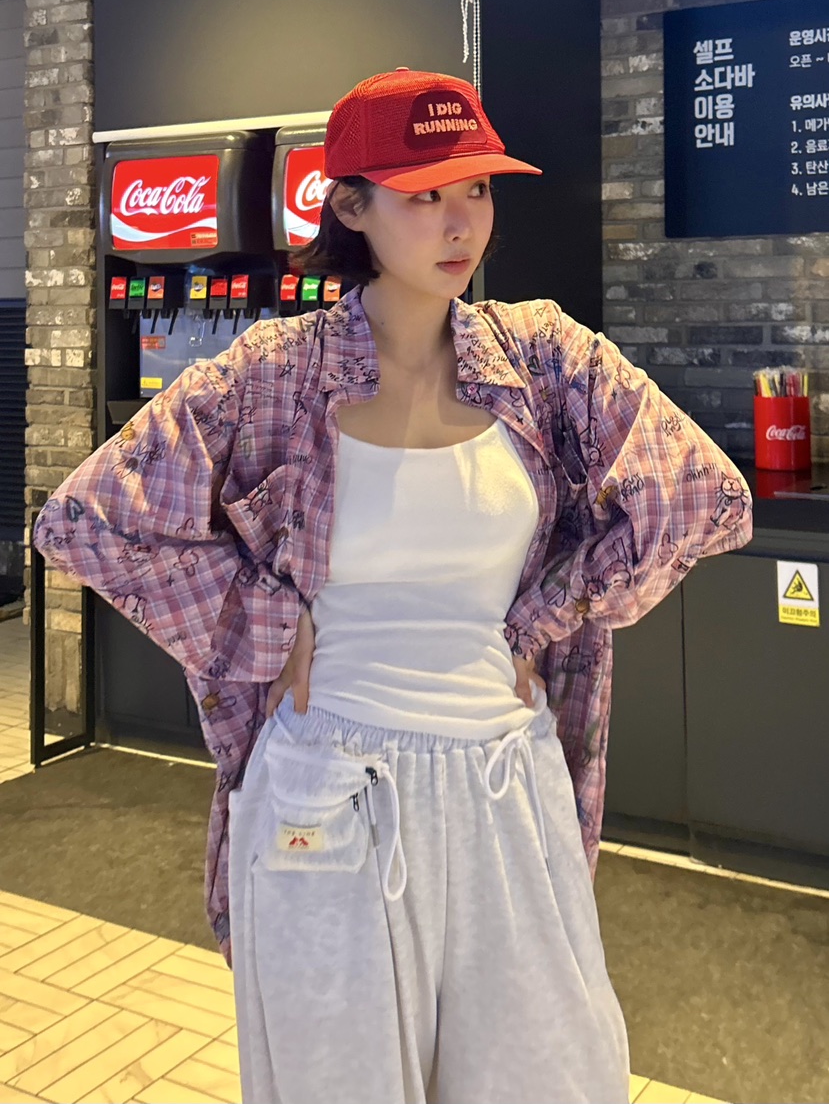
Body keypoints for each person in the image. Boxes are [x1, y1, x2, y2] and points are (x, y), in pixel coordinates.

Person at [33, 69, 753, 1104]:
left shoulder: (541, 357)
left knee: (554, 1076)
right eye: (425, 195)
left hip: (508, 786)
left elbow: (702, 494)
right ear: (351, 206)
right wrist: (264, 623)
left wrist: (548, 611)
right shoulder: (274, 373)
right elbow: (87, 520)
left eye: (478, 189)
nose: (462, 222)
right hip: (327, 789)